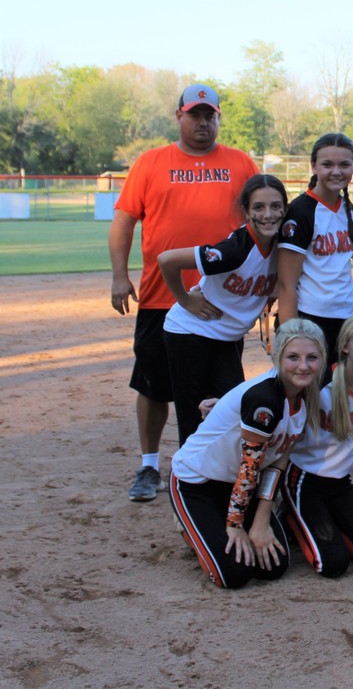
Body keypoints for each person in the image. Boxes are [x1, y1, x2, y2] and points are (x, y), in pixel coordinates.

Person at [109, 83, 260, 502]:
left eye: (209, 114)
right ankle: (149, 466)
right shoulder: (151, 162)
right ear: (179, 116)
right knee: (154, 385)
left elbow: (264, 221)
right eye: (195, 114)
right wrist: (120, 276)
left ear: (218, 118)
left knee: (221, 393)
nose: (202, 122)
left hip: (221, 303)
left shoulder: (240, 162)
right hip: (163, 297)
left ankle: (208, 468)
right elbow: (123, 222)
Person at [168, 319, 325, 589]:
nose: (303, 365)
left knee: (274, 566)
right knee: (234, 575)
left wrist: (261, 522)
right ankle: (190, 525)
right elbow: (249, 468)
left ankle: (218, 524)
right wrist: (234, 525)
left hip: (239, 486)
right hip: (198, 482)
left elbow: (278, 461)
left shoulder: (307, 394)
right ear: (276, 356)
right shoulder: (264, 399)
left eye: (312, 357)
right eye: (293, 357)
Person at [158, 175, 284, 446]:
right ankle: (186, 480)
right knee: (196, 414)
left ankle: (218, 475)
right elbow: (166, 260)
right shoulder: (235, 250)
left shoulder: (282, 244)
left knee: (230, 410)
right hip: (190, 332)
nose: (268, 214)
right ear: (246, 211)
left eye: (276, 206)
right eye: (259, 207)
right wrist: (185, 300)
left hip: (227, 337)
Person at [282, 315, 353, 577]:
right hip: (302, 480)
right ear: (345, 346)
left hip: (340, 483)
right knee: (332, 564)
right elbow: (273, 389)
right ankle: (289, 515)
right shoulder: (319, 380)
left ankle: (326, 519)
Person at [276, 134, 353, 370]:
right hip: (310, 318)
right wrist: (291, 337)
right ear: (313, 166)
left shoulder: (347, 207)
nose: (336, 171)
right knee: (307, 394)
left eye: (344, 164)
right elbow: (286, 284)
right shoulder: (302, 211)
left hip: (346, 317)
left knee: (336, 395)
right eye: (327, 164)